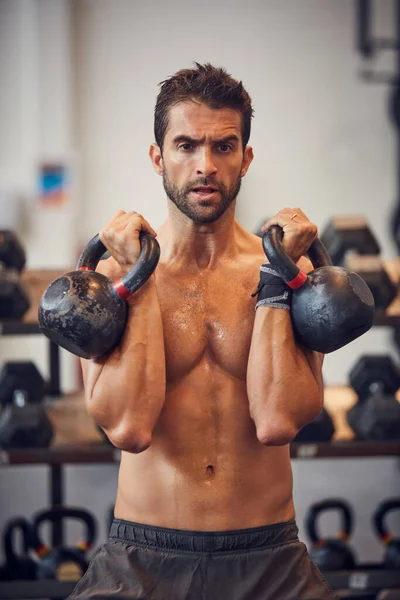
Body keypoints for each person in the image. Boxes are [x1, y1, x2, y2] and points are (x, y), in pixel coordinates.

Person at [69, 63, 338, 599]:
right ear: (157, 156)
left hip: (269, 557)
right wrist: (142, 277)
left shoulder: (289, 276)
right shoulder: (113, 278)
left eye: (223, 146)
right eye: (186, 145)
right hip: (141, 559)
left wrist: (275, 278)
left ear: (247, 156)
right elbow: (127, 429)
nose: (205, 165)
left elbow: (278, 420)